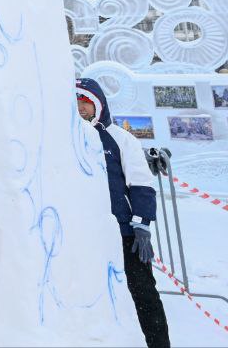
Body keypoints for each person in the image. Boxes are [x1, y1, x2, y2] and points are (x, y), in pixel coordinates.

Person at [75, 77, 170, 348]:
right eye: (75, 103)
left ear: (98, 105)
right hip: (87, 235)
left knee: (143, 295)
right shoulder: (66, 140)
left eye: (86, 103)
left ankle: (158, 343)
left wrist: (142, 225)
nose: (81, 109)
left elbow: (141, 184)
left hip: (125, 234)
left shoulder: (119, 137)